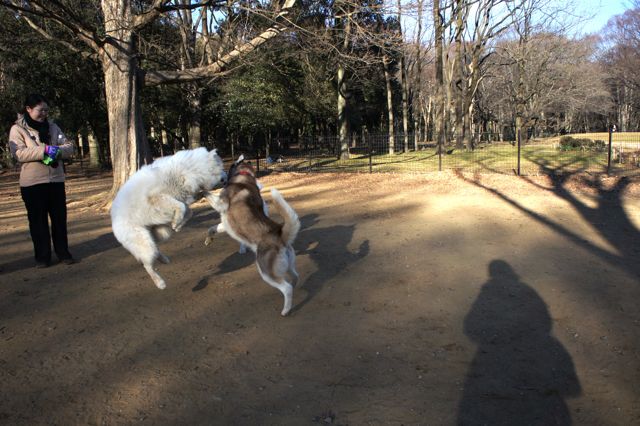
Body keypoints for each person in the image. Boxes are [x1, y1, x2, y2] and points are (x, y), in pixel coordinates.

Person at [8, 94, 76, 268]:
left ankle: (63, 252)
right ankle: (43, 257)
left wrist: (54, 151)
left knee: (59, 219)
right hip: (33, 183)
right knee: (38, 222)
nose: (44, 113)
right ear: (28, 109)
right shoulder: (17, 130)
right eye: (40, 110)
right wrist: (47, 151)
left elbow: (69, 147)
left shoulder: (53, 128)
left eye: (46, 110)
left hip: (56, 181)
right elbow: (19, 154)